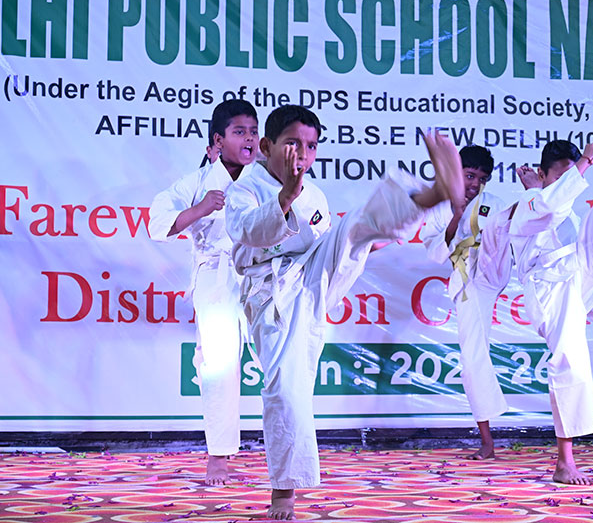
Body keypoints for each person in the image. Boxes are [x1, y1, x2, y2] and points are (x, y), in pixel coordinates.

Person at [225, 105, 463, 521]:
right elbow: (247, 231)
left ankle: (433, 196)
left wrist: (373, 236)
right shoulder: (244, 188)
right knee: (286, 388)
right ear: (266, 146)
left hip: (314, 277)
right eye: (292, 144)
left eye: (311, 146)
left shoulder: (314, 193)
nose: (302, 154)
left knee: (354, 225)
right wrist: (285, 197)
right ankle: (284, 493)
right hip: (271, 293)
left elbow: (339, 244)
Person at [494, 139, 593, 485]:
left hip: (569, 282)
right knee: (570, 365)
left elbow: (580, 272)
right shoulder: (529, 202)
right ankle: (564, 461)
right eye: (561, 177)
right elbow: (548, 205)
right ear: (542, 174)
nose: (569, 183)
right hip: (547, 290)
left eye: (572, 176)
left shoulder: (564, 211)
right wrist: (584, 163)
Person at [147, 99, 259, 485]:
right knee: (218, 363)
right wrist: (200, 208)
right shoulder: (196, 183)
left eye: (253, 131)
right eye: (239, 132)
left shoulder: (266, 178)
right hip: (217, 278)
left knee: (284, 359)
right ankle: (219, 454)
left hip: (264, 276)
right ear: (218, 140)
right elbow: (157, 223)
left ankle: (285, 447)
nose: (249, 139)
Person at [420, 145, 510, 460]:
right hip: (466, 284)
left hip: (490, 277)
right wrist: (457, 216)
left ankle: (488, 440)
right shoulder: (440, 207)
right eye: (469, 176)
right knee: (473, 358)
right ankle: (487, 438)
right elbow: (434, 252)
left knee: (474, 356)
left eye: (481, 179)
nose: (474, 184)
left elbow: (512, 239)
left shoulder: (496, 205)